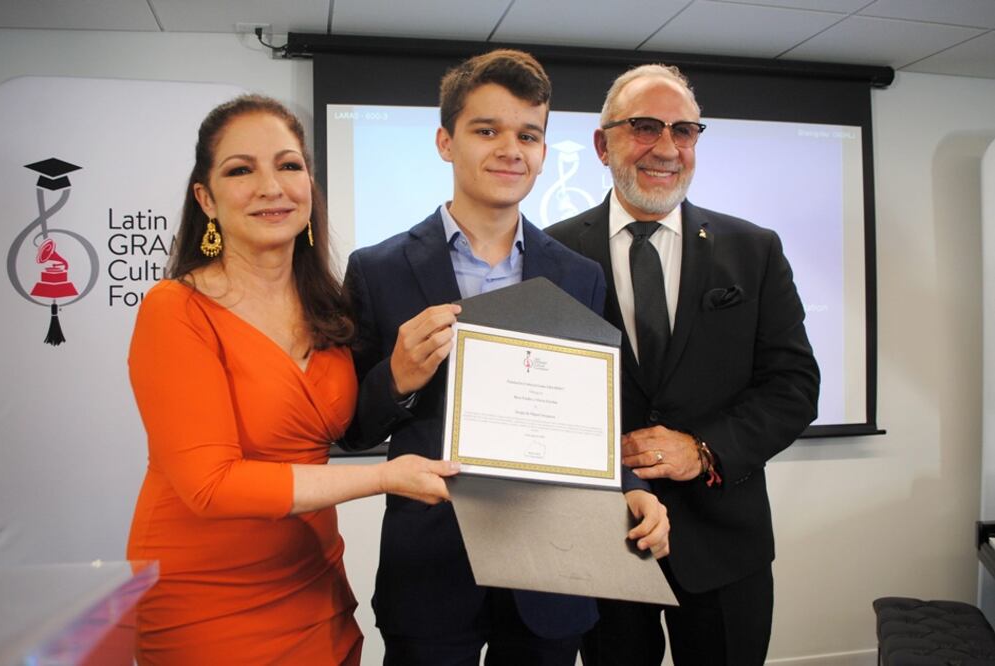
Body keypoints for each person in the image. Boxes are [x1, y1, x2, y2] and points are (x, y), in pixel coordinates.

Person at [341, 50, 670, 666]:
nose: (510, 149)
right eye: (486, 130)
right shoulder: (377, 270)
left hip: (552, 571)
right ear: (446, 141)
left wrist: (631, 487)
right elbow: (353, 429)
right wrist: (400, 379)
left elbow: (594, 423)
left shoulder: (578, 276)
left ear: (544, 151)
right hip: (432, 569)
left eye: (529, 135)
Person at [125, 94, 458, 666]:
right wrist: (384, 478)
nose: (271, 186)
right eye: (240, 170)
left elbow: (348, 431)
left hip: (315, 586)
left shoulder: (330, 309)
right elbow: (211, 486)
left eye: (288, 164)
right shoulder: (175, 308)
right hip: (205, 599)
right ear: (205, 198)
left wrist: (399, 377)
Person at [547, 64, 820, 665]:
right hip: (604, 541)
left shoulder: (754, 250)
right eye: (645, 127)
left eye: (685, 131)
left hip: (726, 546)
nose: (667, 148)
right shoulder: (551, 254)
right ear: (602, 144)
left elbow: (795, 387)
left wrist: (702, 449)